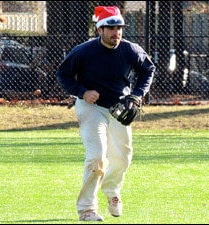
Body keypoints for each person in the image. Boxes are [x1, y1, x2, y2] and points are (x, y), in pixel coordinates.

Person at [56, 5, 155, 222]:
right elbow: (62, 74)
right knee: (97, 157)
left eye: (119, 27)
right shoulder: (84, 51)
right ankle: (87, 209)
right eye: (110, 27)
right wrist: (82, 92)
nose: (116, 32)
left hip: (120, 108)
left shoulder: (130, 49)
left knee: (122, 158)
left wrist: (137, 95)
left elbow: (148, 69)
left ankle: (112, 192)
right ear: (99, 30)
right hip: (91, 107)